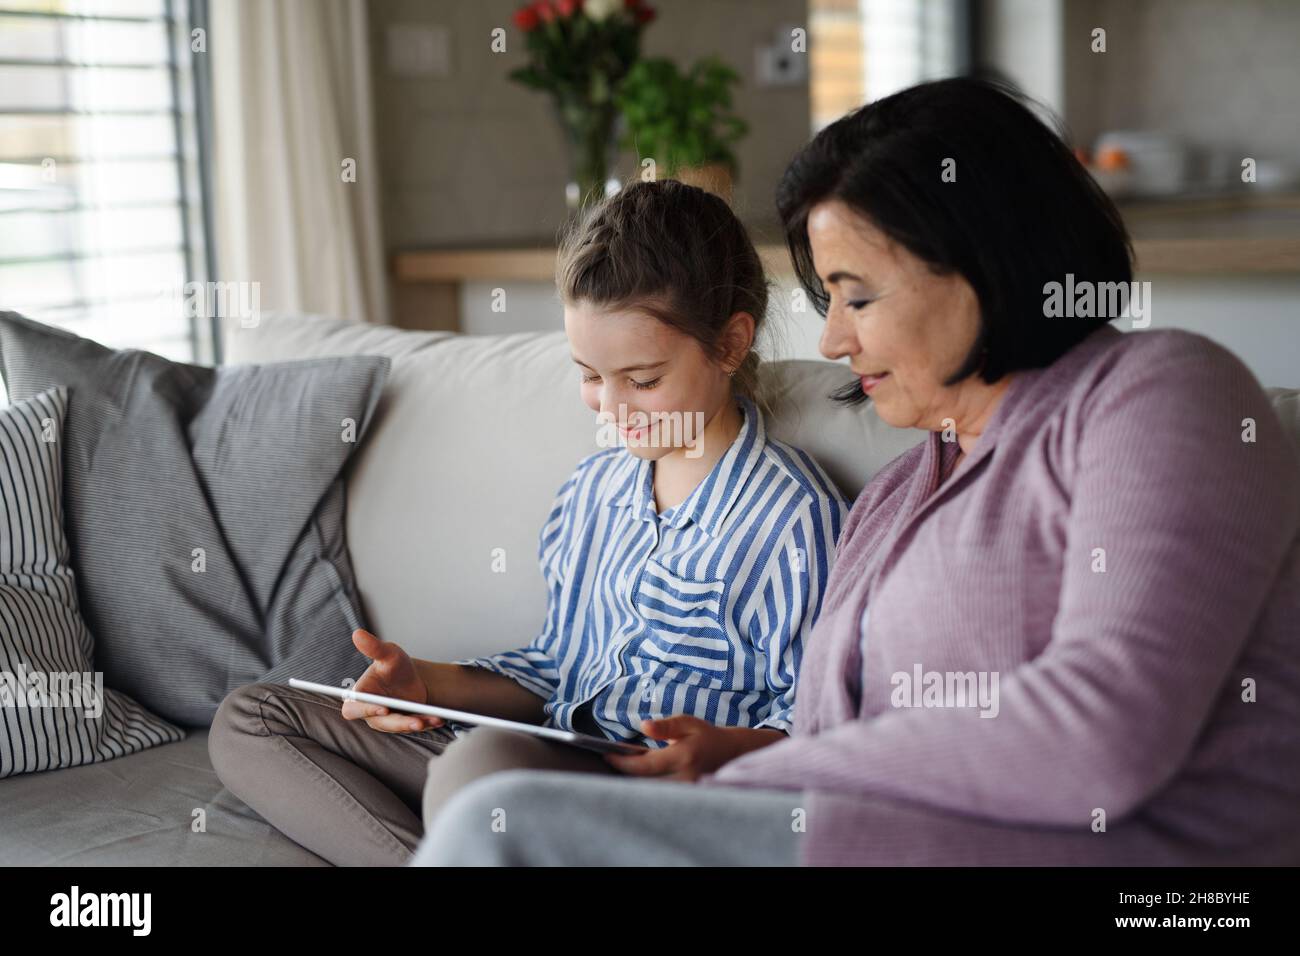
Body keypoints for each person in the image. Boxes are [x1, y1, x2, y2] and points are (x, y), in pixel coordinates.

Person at [411, 76, 1300, 867]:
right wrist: (736, 759)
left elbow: (1104, 741)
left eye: (858, 294)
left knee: (509, 820)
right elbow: (841, 739)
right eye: (826, 299)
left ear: (987, 263)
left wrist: (776, 766)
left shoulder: (1159, 395)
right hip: (837, 837)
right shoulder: (894, 498)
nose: (834, 340)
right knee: (489, 794)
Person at [207, 180, 850, 866]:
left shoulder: (792, 518)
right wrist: (421, 681)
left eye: (641, 378)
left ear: (729, 344)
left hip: (656, 797)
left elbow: (826, 728)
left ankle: (472, 840)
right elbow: (553, 671)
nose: (611, 407)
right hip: (541, 760)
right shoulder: (593, 490)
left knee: (480, 772)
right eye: (589, 375)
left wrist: (728, 748)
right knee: (252, 718)